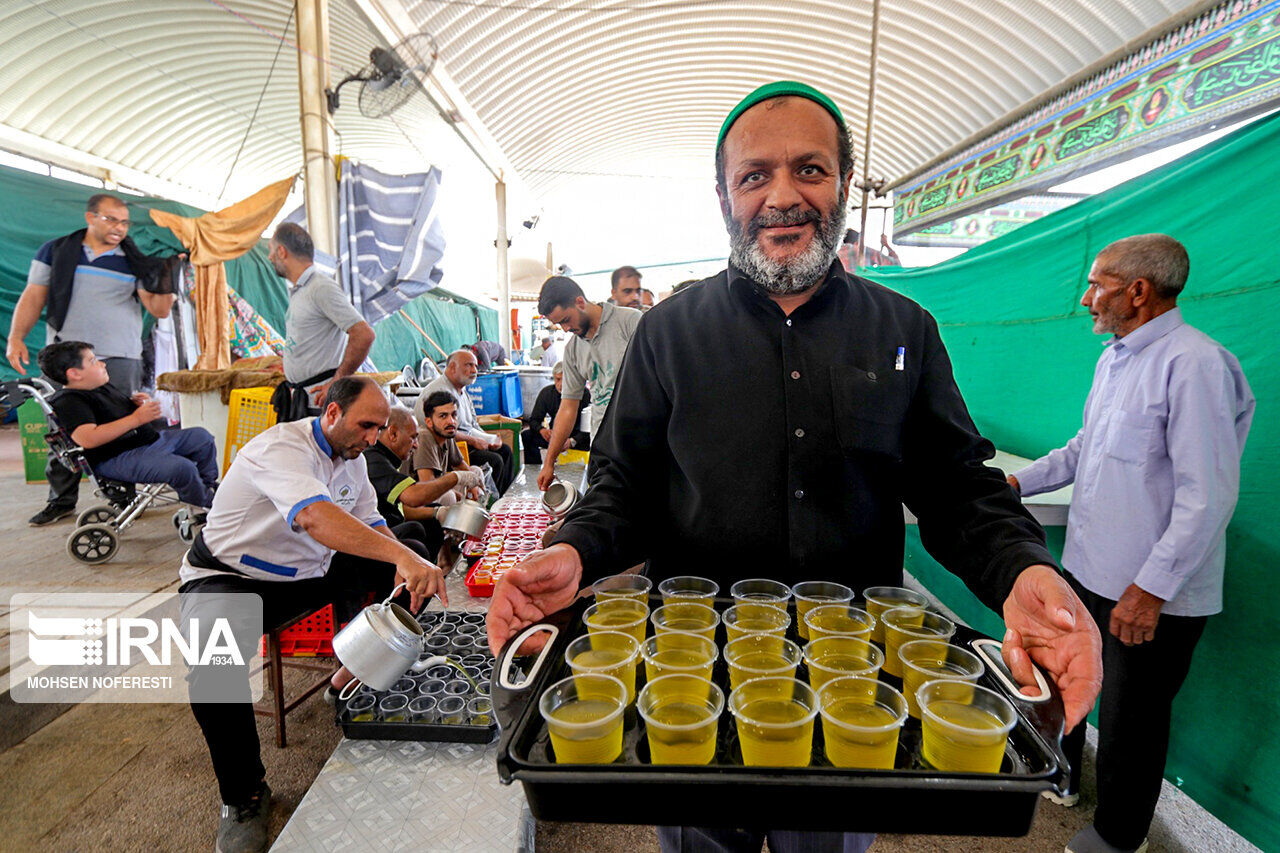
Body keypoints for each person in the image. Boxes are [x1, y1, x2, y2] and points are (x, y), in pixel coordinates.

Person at [488, 81, 1104, 853]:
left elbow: (955, 486)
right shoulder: (668, 334)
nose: (783, 196)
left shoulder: (902, 328)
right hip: (693, 682)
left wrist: (1024, 574)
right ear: (724, 197)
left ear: (843, 183)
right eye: (755, 176)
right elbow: (623, 485)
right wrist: (572, 549)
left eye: (809, 170)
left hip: (851, 689)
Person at [1009, 234, 1253, 853]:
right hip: (1091, 567)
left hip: (1151, 591)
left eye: (1098, 285)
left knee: (1132, 721)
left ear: (1138, 291)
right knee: (1066, 676)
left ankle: (1119, 838)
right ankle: (1062, 777)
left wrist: (1150, 591)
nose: (1087, 299)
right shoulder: (1117, 358)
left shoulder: (1195, 365)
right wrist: (1013, 482)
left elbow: (1209, 495)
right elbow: (1085, 448)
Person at [179, 377, 445, 853]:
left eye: (380, 428)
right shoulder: (281, 448)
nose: (371, 438)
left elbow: (373, 524)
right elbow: (315, 517)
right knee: (212, 670)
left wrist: (406, 559)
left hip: (307, 575)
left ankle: (354, 672)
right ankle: (243, 795)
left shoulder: (353, 461)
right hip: (232, 578)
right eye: (365, 425)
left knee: (409, 547)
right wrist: (402, 558)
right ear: (331, 413)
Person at [7, 193, 176, 526]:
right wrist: (16, 337)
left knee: (123, 429)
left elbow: (159, 309)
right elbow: (34, 296)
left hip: (120, 357)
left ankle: (124, 498)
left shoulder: (134, 260)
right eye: (110, 219)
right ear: (90, 217)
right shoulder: (55, 252)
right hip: (68, 360)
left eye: (124, 222)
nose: (119, 228)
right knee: (63, 430)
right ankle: (61, 499)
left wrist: (166, 280)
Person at [37, 340, 217, 509]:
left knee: (202, 437)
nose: (102, 364)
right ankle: (203, 505)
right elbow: (88, 438)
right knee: (181, 468)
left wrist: (137, 405)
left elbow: (115, 414)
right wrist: (136, 419)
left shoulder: (100, 387)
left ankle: (206, 486)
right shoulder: (69, 401)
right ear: (74, 373)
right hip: (117, 458)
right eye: (93, 361)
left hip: (148, 442)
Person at [533, 276, 642, 490]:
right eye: (559, 324)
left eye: (566, 320)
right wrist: (549, 462)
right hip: (603, 446)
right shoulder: (573, 350)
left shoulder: (630, 322)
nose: (565, 329)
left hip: (638, 440)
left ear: (580, 302)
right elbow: (567, 408)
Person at [270, 223, 375, 418]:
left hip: (318, 404)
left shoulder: (321, 287)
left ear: (282, 251)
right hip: (300, 400)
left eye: (271, 251)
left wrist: (337, 381)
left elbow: (364, 334)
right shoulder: (300, 290)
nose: (270, 258)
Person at [361, 405, 454, 559]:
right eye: (413, 437)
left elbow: (403, 509)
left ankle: (434, 569)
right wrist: (456, 478)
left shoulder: (387, 458)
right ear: (393, 433)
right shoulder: (373, 459)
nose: (416, 444)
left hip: (387, 522)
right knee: (415, 531)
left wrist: (438, 512)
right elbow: (414, 497)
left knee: (433, 519)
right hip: (370, 534)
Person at [419, 349, 513, 494]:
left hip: (464, 442)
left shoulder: (463, 392)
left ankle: (504, 498)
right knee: (494, 460)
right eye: (468, 365)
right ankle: (492, 501)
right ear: (452, 368)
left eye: (475, 366)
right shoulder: (438, 392)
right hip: (449, 445)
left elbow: (473, 424)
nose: (474, 370)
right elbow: (438, 430)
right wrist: (473, 441)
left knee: (505, 450)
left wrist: (489, 439)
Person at [411, 390, 486, 504]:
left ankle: (477, 513)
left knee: (476, 471)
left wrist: (474, 483)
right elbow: (427, 483)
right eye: (443, 416)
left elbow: (459, 464)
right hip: (417, 497)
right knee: (448, 496)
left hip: (434, 488)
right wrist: (456, 493)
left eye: (454, 415)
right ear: (429, 422)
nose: (451, 421)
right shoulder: (424, 436)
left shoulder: (447, 433)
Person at [521, 362, 591, 464]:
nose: (561, 384)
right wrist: (542, 430)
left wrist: (572, 441)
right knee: (527, 436)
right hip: (554, 435)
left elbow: (589, 427)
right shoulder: (547, 393)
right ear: (554, 378)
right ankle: (534, 469)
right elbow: (534, 420)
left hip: (578, 437)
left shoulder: (584, 394)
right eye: (558, 379)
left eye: (565, 380)